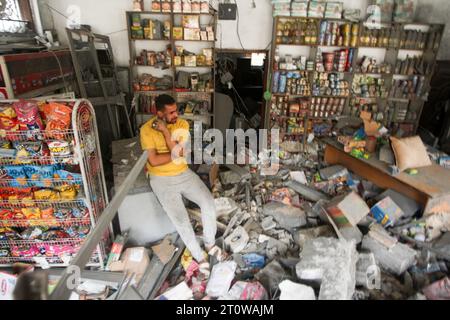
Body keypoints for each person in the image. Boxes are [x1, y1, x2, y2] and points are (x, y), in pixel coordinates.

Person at [140, 94, 217, 269]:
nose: (176, 115)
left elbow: (179, 154)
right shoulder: (146, 130)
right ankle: (199, 256)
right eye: (171, 112)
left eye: (176, 111)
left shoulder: (182, 124)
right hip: (160, 179)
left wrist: (166, 132)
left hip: (183, 173)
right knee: (181, 220)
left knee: (208, 203)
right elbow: (153, 161)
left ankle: (210, 244)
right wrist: (174, 154)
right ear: (159, 113)